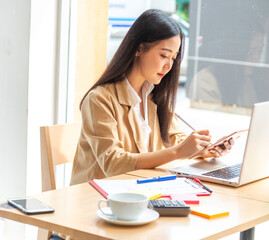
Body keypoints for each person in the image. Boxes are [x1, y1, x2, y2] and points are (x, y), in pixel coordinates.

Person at [70, 9, 233, 186]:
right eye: (163, 55)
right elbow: (112, 163)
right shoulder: (99, 99)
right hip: (100, 199)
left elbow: (174, 139)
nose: (168, 65)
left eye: (173, 58)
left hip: (143, 191)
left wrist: (204, 149)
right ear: (139, 48)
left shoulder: (155, 96)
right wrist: (179, 151)